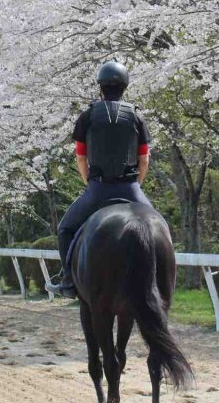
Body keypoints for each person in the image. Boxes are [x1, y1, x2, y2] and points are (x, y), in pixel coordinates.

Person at [45, 60, 153, 298]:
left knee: (65, 229)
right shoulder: (136, 117)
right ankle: (158, 281)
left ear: (100, 88)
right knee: (157, 227)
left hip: (98, 189)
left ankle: (68, 281)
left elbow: (81, 158)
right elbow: (143, 160)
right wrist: (136, 186)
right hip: (131, 188)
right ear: (125, 87)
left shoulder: (88, 117)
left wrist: (90, 183)